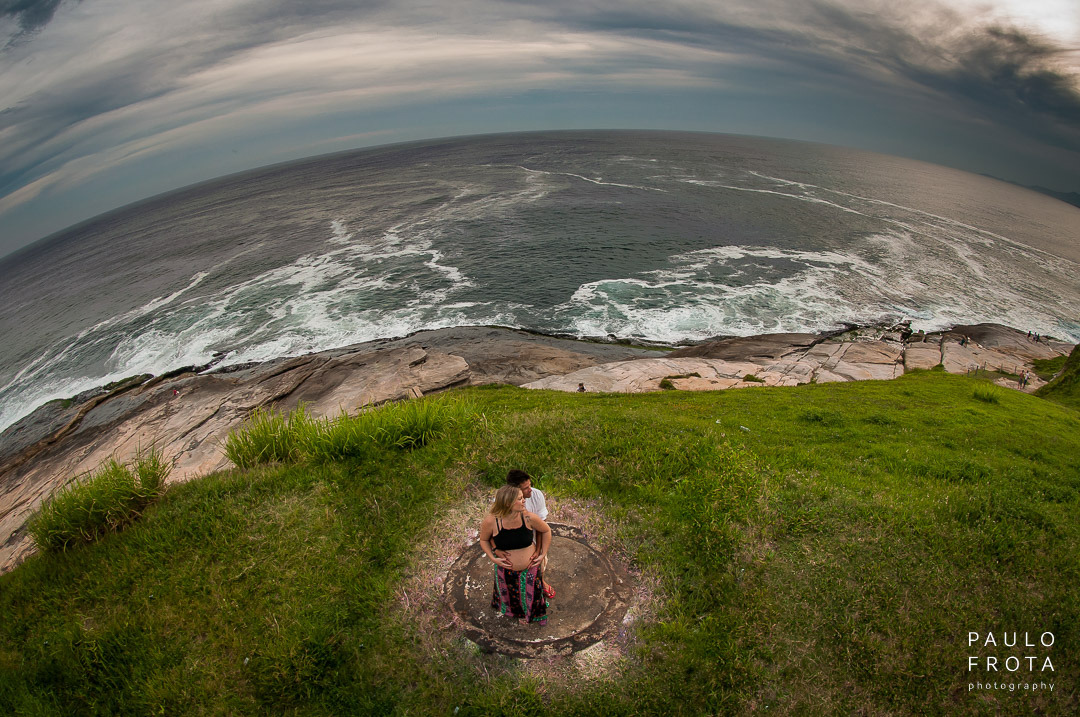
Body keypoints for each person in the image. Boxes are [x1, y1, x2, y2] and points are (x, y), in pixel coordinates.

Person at [478, 485, 550, 625]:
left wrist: (542, 553)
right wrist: (493, 557)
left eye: (522, 498)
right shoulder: (492, 521)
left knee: (533, 594)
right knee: (511, 597)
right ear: (507, 503)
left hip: (530, 568)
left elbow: (546, 531)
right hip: (506, 571)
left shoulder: (528, 518)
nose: (524, 501)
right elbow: (484, 539)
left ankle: (535, 615)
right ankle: (516, 613)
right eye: (519, 499)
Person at [503, 469, 556, 598]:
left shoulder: (536, 495)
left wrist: (539, 550)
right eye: (526, 488)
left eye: (530, 485)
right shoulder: (502, 501)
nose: (530, 490)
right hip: (511, 539)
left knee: (538, 564)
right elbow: (495, 528)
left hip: (531, 538)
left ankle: (540, 582)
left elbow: (542, 527)